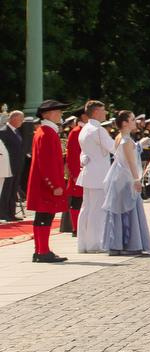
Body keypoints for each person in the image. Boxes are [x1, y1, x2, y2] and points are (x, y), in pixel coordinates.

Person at [99, 110, 150, 254]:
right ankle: (128, 244)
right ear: (125, 123)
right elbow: (130, 162)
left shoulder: (119, 137)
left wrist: (139, 145)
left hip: (118, 176)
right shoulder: (126, 140)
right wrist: (137, 180)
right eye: (133, 119)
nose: (135, 122)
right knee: (127, 209)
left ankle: (117, 244)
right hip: (125, 178)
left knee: (118, 211)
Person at [25, 100, 70, 262]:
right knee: (45, 216)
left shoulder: (44, 131)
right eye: (57, 112)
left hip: (43, 182)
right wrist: (54, 185)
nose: (60, 115)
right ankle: (43, 251)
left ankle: (40, 250)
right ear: (46, 114)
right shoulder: (47, 133)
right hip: (47, 184)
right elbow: (46, 163)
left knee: (42, 216)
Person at [74, 101, 115, 254]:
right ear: (96, 112)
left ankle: (83, 243)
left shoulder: (85, 129)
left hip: (89, 173)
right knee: (96, 210)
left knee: (87, 209)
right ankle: (94, 244)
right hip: (99, 175)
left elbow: (83, 153)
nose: (105, 113)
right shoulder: (98, 130)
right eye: (103, 110)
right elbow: (113, 148)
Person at [0, 109, 23, 219]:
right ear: (13, 118)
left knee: (13, 190)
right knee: (6, 190)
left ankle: (11, 213)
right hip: (7, 167)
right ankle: (3, 213)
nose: (22, 121)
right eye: (20, 119)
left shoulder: (17, 131)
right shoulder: (3, 131)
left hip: (16, 166)